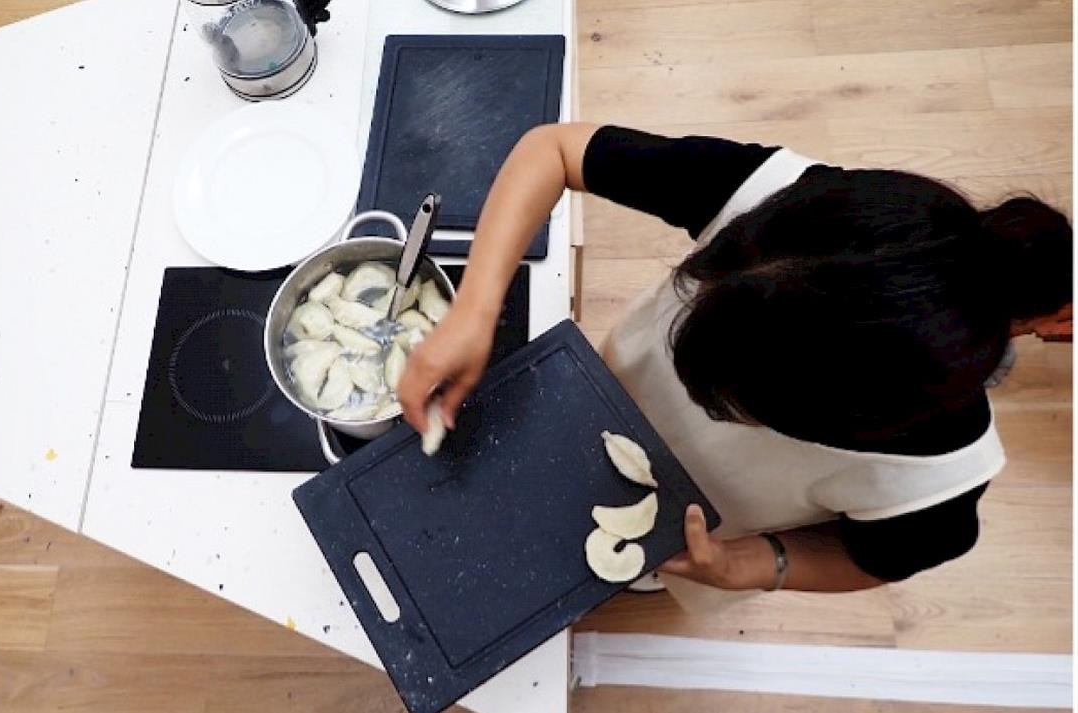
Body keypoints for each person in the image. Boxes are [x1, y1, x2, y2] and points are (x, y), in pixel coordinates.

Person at [396, 123, 1072, 601]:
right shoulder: (772, 194)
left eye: (735, 404)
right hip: (596, 399)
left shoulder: (941, 483)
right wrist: (476, 309)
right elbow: (554, 148)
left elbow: (872, 561)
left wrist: (754, 564)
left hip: (689, 525)